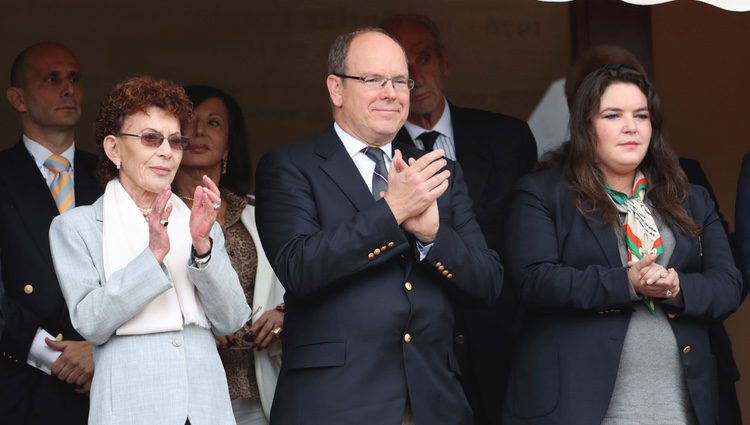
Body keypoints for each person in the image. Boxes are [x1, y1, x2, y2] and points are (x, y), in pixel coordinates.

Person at [255, 27, 502, 425]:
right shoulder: (290, 167)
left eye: (400, 81)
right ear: (336, 89)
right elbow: (299, 267)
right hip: (334, 404)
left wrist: (433, 238)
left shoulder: (438, 171)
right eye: (373, 80)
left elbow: (489, 283)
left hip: (433, 404)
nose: (392, 93)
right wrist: (391, 212)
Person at [503, 64, 741, 425]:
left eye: (641, 116)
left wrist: (678, 287)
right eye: (613, 115)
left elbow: (728, 285)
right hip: (578, 406)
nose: (631, 127)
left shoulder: (692, 199)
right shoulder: (542, 193)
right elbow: (534, 280)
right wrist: (625, 284)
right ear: (586, 126)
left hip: (679, 407)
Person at [48, 76, 251, 425]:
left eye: (175, 141)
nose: (166, 152)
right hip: (130, 410)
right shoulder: (77, 227)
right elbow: (91, 323)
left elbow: (232, 319)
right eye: (150, 139)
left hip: (207, 411)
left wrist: (201, 246)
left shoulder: (197, 223)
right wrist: (152, 255)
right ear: (114, 149)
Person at [381, 14, 537, 424]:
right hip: (421, 351)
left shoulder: (508, 138)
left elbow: (532, 241)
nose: (415, 76)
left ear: (445, 61)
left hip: (503, 342)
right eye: (401, 69)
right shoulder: (375, 154)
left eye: (424, 58)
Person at [0, 42, 101, 424]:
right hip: (24, 387)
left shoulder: (114, 178)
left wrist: (100, 352)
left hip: (108, 388)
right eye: (51, 78)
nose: (68, 88)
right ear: (18, 98)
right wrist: (59, 357)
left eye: (74, 78)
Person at [174, 85, 284, 424]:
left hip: (259, 388)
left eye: (214, 122)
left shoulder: (258, 214)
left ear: (229, 146)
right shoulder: (153, 215)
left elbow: (299, 277)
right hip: (186, 390)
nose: (198, 131)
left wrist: (283, 314)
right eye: (188, 122)